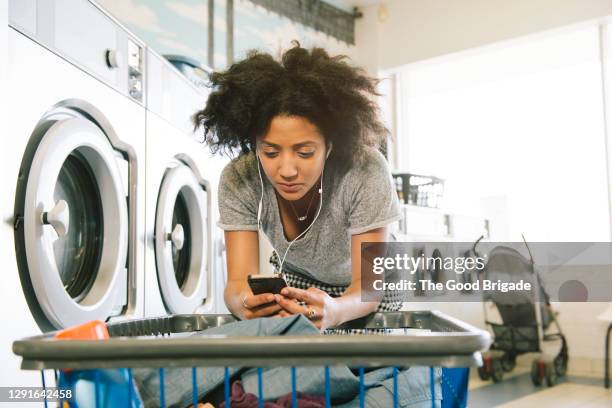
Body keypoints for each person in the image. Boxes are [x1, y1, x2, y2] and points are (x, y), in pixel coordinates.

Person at [194, 42, 402, 331]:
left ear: (329, 146)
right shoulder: (240, 179)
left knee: (359, 366)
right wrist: (246, 304)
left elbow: (367, 287)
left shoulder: (364, 170)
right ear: (254, 142)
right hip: (299, 277)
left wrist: (336, 310)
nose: (287, 171)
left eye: (305, 152)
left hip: (370, 287)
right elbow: (237, 283)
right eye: (270, 152)